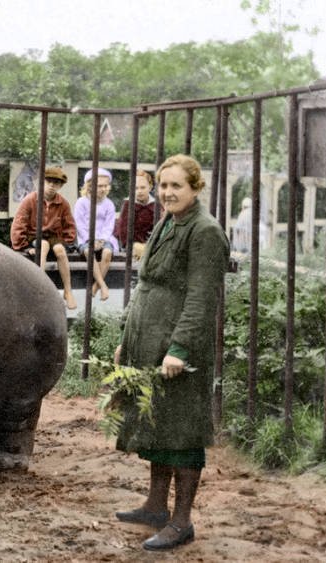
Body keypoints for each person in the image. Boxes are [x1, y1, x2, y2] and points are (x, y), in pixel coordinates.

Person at [113, 154, 229, 552]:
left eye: (176, 186)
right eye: (163, 185)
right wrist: (128, 340)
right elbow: (147, 286)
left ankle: (182, 521)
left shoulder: (205, 231)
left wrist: (178, 349)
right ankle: (155, 506)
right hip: (148, 341)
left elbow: (200, 299)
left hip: (178, 351)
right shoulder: (167, 221)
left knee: (181, 432)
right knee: (157, 423)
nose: (167, 193)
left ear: (196, 188)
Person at [9, 165, 78, 309]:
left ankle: (68, 291)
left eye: (56, 183)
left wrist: (68, 241)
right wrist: (23, 245)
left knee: (59, 250)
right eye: (49, 182)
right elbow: (19, 222)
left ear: (60, 186)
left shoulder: (62, 203)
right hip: (34, 235)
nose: (52, 186)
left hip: (53, 236)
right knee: (44, 246)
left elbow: (69, 224)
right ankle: (39, 287)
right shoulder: (31, 199)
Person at [74, 168, 119, 301]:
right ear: (89, 186)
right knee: (89, 252)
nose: (103, 189)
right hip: (86, 238)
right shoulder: (81, 203)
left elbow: (109, 225)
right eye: (99, 186)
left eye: (105, 186)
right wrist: (91, 239)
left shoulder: (109, 204)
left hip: (104, 238)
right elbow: (80, 224)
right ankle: (102, 285)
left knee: (107, 253)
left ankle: (95, 287)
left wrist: (102, 239)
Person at [115, 170, 157, 261]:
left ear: (150, 187)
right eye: (136, 188)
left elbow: (159, 227)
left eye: (143, 188)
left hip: (150, 244)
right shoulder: (128, 204)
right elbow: (123, 230)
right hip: (132, 244)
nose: (139, 191)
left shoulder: (155, 205)